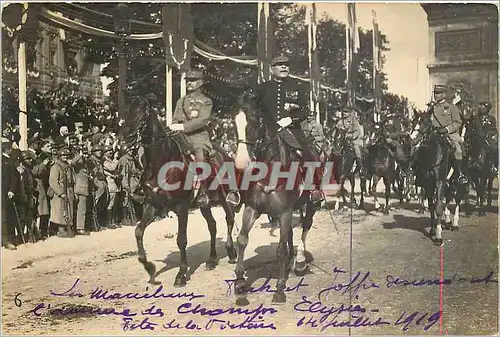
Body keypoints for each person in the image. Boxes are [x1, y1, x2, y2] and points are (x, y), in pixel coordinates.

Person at [228, 54, 324, 206]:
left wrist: (290, 119)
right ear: (272, 69)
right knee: (246, 153)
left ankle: (314, 190)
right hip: (267, 130)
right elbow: (251, 107)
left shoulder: (298, 87)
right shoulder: (262, 88)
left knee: (309, 154)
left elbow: (305, 111)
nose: (284, 67)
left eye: (286, 64)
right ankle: (237, 192)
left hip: (292, 130)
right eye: (279, 64)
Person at [169, 69, 214, 207]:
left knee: (200, 153)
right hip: (181, 136)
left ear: (200, 83)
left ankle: (203, 191)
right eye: (188, 80)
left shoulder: (206, 101)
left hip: (199, 136)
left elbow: (203, 120)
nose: (189, 83)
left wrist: (183, 127)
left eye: (193, 80)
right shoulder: (181, 101)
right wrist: (174, 126)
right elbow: (176, 119)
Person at [414, 84, 467, 184]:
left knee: (458, 150)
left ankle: (460, 174)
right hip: (434, 133)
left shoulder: (452, 107)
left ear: (444, 94)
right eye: (435, 93)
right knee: (420, 148)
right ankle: (418, 173)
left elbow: (458, 122)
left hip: (450, 134)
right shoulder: (431, 109)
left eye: (438, 93)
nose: (436, 95)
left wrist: (446, 129)